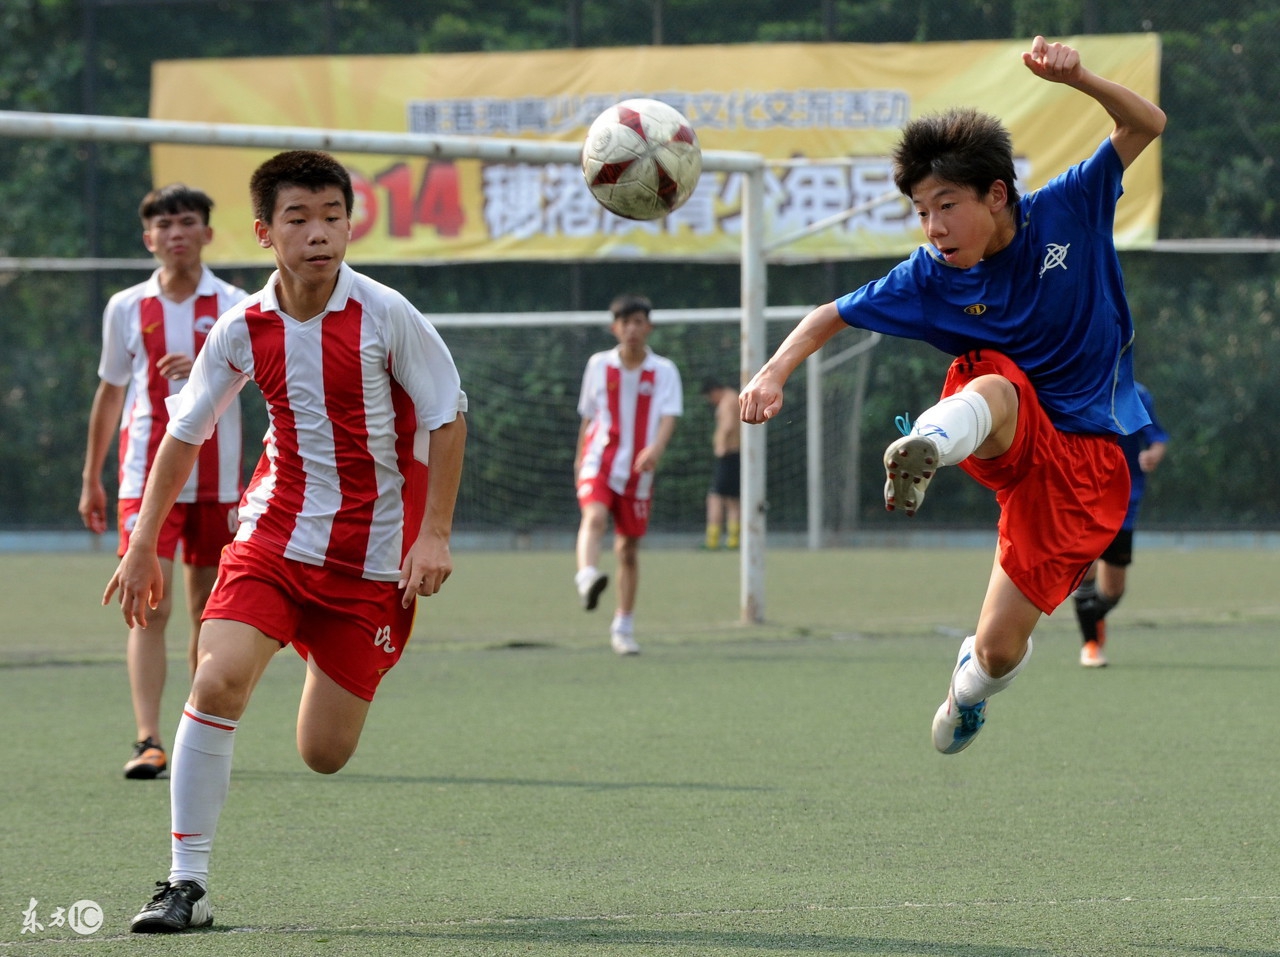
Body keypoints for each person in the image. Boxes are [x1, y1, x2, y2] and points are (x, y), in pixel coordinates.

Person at [739, 36, 1166, 754]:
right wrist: (770, 372)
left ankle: (967, 690)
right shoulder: (929, 275)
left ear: (996, 195)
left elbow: (1146, 123)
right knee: (995, 380)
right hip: (1002, 424)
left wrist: (1082, 78)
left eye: (946, 205)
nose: (933, 227)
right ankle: (929, 444)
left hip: (1085, 458)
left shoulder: (1070, 205)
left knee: (998, 651)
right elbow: (829, 315)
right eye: (920, 211)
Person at [104, 150, 468, 933]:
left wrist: (433, 534)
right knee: (216, 682)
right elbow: (185, 431)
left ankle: (309, 641)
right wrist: (141, 541)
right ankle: (186, 883)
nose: (319, 233)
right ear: (266, 232)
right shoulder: (243, 326)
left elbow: (448, 414)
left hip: (370, 561)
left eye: (333, 216)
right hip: (271, 537)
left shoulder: (387, 314)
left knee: (324, 752)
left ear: (350, 225)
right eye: (299, 219)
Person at [79, 184, 248, 780]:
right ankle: (147, 739)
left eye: (188, 222)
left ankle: (198, 735)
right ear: (148, 238)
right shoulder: (126, 307)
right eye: (165, 224)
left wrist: (204, 363)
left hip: (219, 479)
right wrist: (91, 477)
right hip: (142, 478)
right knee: (151, 604)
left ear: (207, 232)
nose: (177, 233)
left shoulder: (236, 304)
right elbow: (110, 392)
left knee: (209, 608)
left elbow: (263, 375)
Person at [573, 293, 683, 655]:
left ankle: (623, 626)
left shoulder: (664, 370)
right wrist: (579, 461)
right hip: (599, 460)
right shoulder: (598, 365)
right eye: (625, 322)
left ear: (648, 327)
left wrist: (656, 449)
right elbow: (588, 416)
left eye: (638, 322)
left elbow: (669, 415)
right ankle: (587, 576)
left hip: (639, 471)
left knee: (628, 551)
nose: (631, 329)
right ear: (614, 328)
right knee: (594, 517)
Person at [1073, 381, 1168, 667]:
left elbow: (1157, 437)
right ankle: (1090, 644)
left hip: (1123, 499)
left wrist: (1153, 454)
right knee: (1084, 570)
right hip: (1082, 494)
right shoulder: (1077, 385)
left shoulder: (1137, 394)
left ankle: (1094, 617)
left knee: (1113, 591)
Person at [701, 379, 741, 550]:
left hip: (729, 454)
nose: (712, 401)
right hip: (736, 454)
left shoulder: (728, 401)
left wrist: (721, 445)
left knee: (715, 498)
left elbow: (728, 425)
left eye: (710, 397)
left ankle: (712, 541)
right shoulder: (734, 398)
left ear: (715, 391)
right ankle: (733, 541)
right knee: (733, 500)